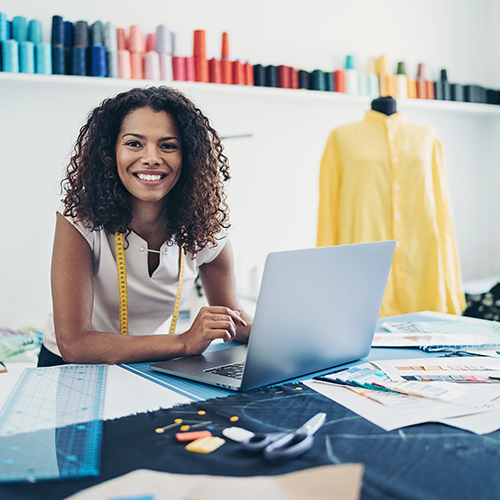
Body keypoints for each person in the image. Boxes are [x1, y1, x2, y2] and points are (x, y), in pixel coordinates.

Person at [38, 86, 252, 367]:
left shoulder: (202, 228)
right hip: (70, 367)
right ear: (109, 152)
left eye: (168, 145)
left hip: (144, 362)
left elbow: (235, 319)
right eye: (134, 143)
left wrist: (292, 332)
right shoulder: (79, 219)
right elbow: (75, 344)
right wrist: (184, 342)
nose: (151, 157)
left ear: (187, 157)